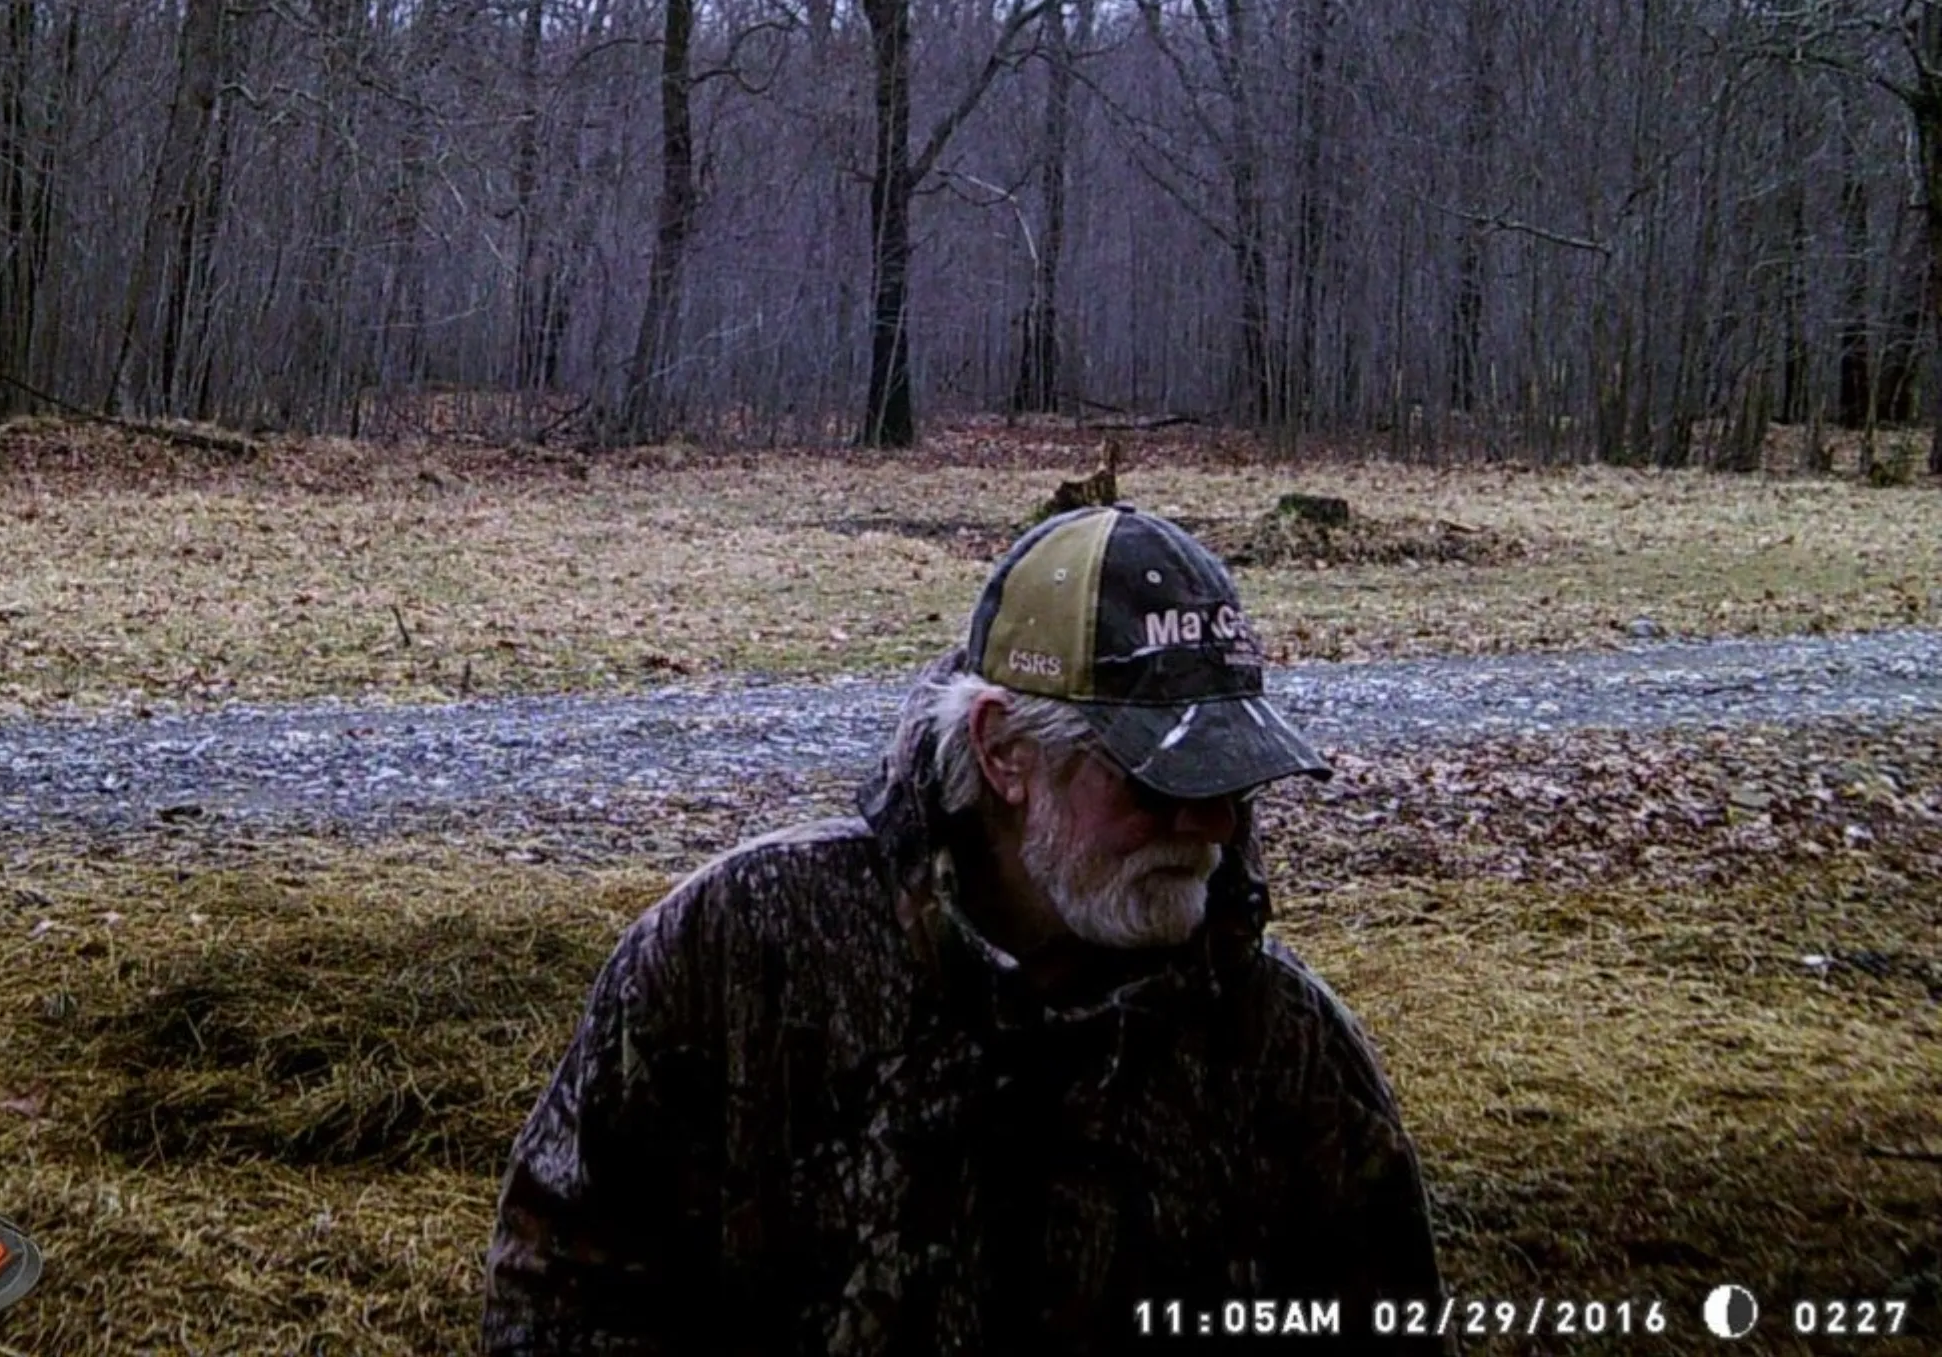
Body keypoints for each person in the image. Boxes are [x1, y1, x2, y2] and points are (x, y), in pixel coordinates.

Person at [484, 505, 1452, 1354]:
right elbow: (565, 1288)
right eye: (1162, 781)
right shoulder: (745, 952)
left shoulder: (1281, 1045)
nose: (1212, 825)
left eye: (1232, 778)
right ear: (1003, 751)